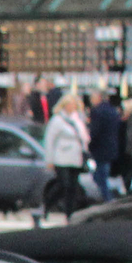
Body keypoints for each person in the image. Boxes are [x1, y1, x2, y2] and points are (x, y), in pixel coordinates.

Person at [41, 92, 90, 220]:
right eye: (69, 104)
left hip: (76, 157)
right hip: (62, 158)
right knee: (64, 184)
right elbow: (50, 140)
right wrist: (49, 159)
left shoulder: (78, 120)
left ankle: (70, 213)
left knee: (73, 187)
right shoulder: (57, 120)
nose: (72, 107)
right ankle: (48, 204)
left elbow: (84, 138)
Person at [86, 88, 123, 203]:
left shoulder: (97, 111)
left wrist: (89, 145)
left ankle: (108, 199)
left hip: (100, 148)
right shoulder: (113, 111)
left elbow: (95, 131)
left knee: (100, 177)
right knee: (102, 174)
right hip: (111, 147)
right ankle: (107, 197)